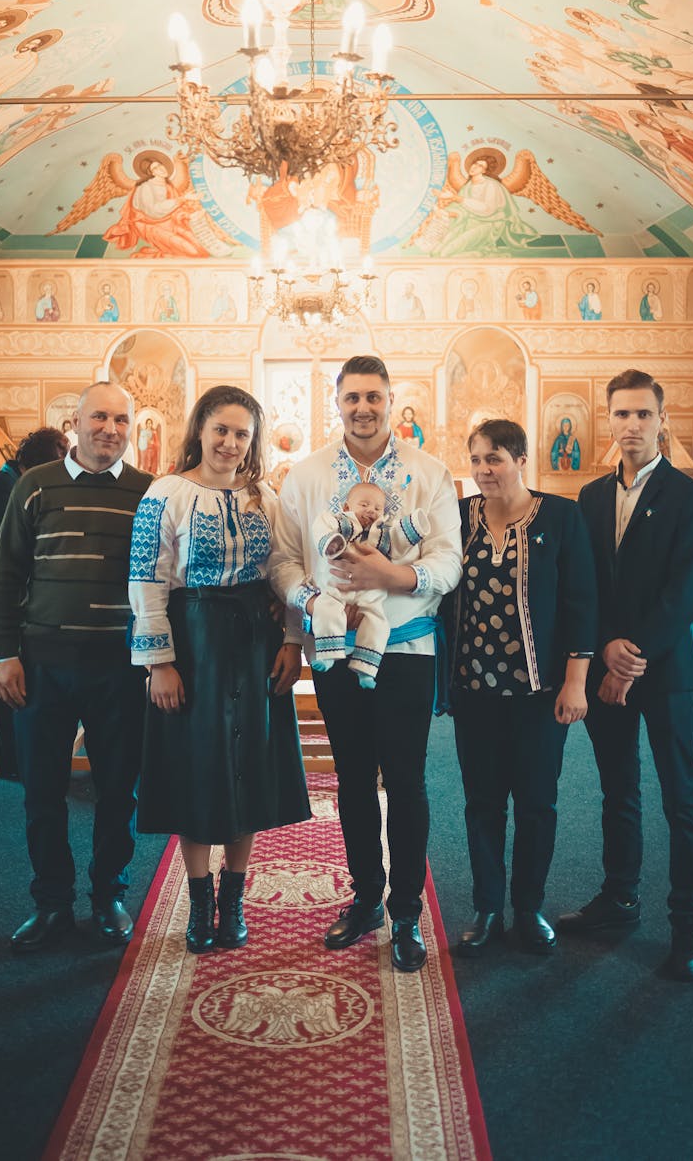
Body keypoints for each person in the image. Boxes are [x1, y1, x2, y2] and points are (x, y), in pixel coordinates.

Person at [269, 355, 462, 973]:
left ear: (390, 398)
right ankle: (366, 898)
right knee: (352, 779)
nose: (363, 408)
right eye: (352, 397)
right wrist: (315, 601)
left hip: (407, 650)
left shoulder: (429, 474)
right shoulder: (305, 476)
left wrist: (392, 575)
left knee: (404, 780)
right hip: (332, 651)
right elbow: (284, 563)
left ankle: (406, 909)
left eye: (374, 397)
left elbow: (448, 562)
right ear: (338, 401)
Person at [128, 385, 311, 955]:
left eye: (241, 434)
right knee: (200, 766)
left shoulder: (265, 497)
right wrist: (160, 662)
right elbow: (147, 578)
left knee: (249, 762)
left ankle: (234, 901)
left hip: (254, 640)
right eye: (221, 430)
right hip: (194, 641)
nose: (230, 443)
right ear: (200, 431)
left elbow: (284, 568)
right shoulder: (167, 492)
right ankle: (200, 899)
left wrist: (291, 640)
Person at [557, 369, 693, 981]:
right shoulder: (591, 498)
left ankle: (687, 924)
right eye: (621, 415)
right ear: (609, 420)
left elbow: (684, 593)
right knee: (618, 791)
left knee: (682, 798)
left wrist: (634, 652)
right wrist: (604, 650)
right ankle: (619, 898)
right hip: (605, 666)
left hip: (665, 669)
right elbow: (584, 587)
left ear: (661, 419)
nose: (631, 426)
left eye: (643, 415)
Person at [0, 383, 152, 952]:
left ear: (131, 428)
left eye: (121, 419)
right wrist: (5, 653)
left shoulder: (147, 492)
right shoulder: (35, 486)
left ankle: (109, 896)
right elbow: (4, 575)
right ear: (76, 421)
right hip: (43, 662)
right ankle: (51, 903)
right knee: (42, 788)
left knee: (118, 789)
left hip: (119, 664)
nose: (110, 427)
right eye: (99, 416)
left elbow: (161, 582)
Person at [449, 420, 597, 957]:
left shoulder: (560, 516)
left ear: (521, 459)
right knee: (481, 803)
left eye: (496, 459)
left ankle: (529, 906)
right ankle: (488, 907)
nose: (485, 470)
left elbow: (582, 600)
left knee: (537, 802)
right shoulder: (459, 516)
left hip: (538, 692)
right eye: (477, 460)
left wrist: (576, 682)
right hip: (474, 690)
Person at [0, 427, 68, 779]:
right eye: (58, 457)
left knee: (4, 691)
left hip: (10, 604)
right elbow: (12, 550)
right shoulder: (1, 488)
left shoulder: (14, 482)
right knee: (4, 692)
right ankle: (12, 766)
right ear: (38, 460)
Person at [311, 481, 430, 689]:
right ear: (347, 507)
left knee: (378, 624)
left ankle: (366, 668)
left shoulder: (382, 533)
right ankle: (328, 654)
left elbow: (399, 540)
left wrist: (415, 525)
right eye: (364, 504)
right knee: (325, 607)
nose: (371, 511)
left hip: (371, 594)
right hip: (338, 588)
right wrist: (331, 541)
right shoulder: (341, 524)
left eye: (377, 508)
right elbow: (320, 526)